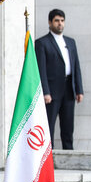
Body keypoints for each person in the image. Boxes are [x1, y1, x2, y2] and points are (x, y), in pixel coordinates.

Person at [35, 9, 84, 149]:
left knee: (68, 126)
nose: (60, 24)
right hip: (51, 92)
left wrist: (79, 90)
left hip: (69, 89)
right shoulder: (42, 43)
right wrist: (45, 91)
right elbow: (41, 69)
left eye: (62, 21)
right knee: (49, 125)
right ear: (50, 22)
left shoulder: (70, 42)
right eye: (56, 21)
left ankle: (69, 154)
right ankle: (48, 157)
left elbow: (76, 66)